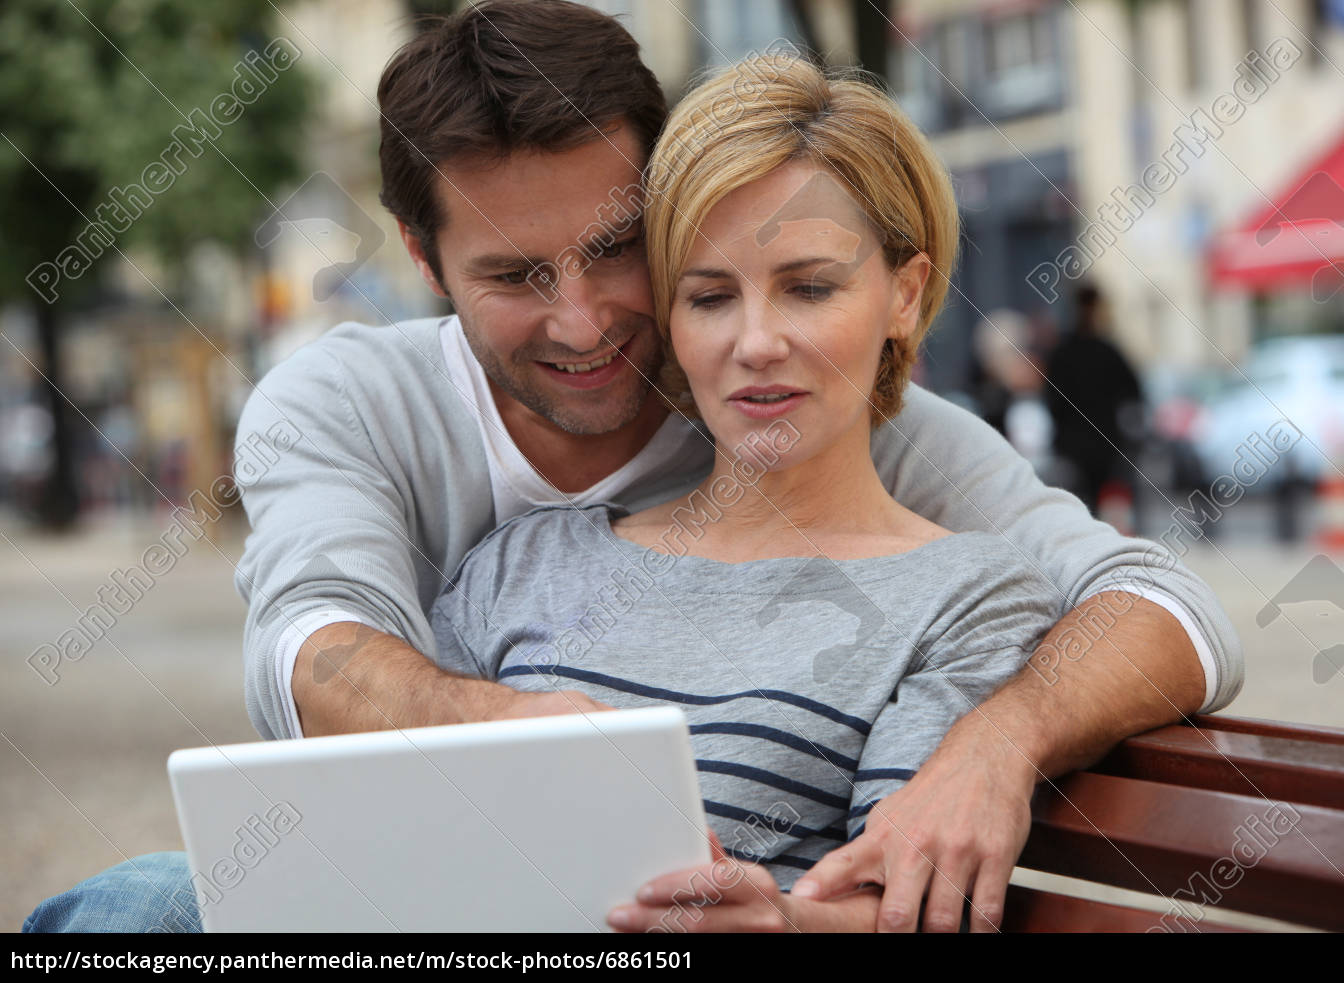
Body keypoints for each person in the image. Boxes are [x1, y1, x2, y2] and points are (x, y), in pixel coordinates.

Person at [25, 0, 1239, 935]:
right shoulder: (357, 411)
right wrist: (538, 743)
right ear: (420, 257)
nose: (582, 319)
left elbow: (1170, 611)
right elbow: (311, 646)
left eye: (617, 251)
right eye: (512, 274)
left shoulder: (854, 431)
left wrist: (998, 739)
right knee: (144, 906)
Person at [425, 55, 1070, 931]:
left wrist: (784, 924)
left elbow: (909, 908)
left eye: (809, 287)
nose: (757, 342)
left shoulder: (966, 598)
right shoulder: (524, 561)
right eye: (711, 296)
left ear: (905, 296)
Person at [1045, 284, 1145, 515]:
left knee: (1082, 503)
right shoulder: (1103, 350)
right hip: (1099, 442)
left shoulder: (1065, 351)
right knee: (1096, 502)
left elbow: (1052, 399)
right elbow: (1134, 394)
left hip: (1080, 443)